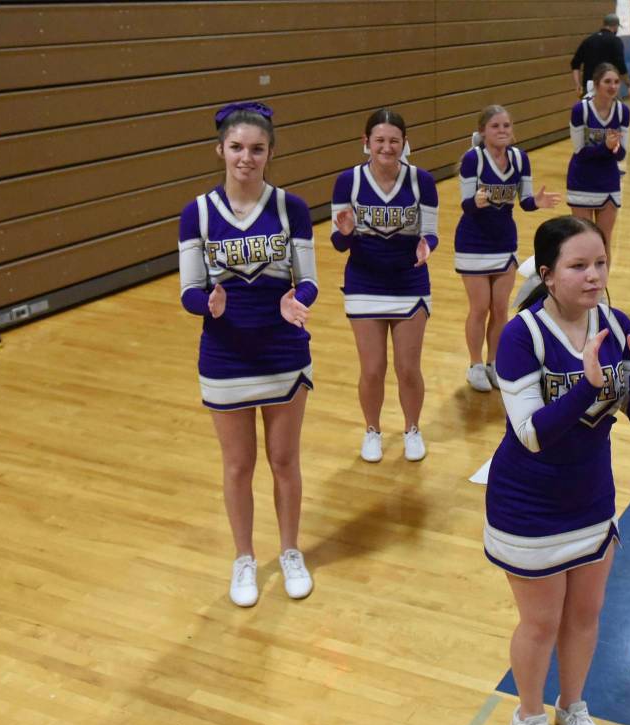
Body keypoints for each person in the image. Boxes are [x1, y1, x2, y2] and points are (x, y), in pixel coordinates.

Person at [485, 216, 630, 725]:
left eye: (600, 264)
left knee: (586, 615)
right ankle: (530, 717)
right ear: (548, 273)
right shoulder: (521, 335)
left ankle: (573, 707)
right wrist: (587, 385)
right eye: (578, 266)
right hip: (528, 503)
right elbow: (531, 434)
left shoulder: (616, 323)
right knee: (540, 623)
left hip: (592, 496)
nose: (593, 276)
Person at [178, 101, 317, 607]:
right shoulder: (197, 211)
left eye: (257, 149)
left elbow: (311, 283)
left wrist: (296, 301)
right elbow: (188, 290)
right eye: (237, 147)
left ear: (270, 153)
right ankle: (243, 559)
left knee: (285, 460)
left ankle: (290, 550)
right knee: (238, 466)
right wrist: (207, 304)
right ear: (220, 150)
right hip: (225, 355)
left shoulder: (291, 208)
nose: (246, 157)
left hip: (283, 350)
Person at [331, 109, 439, 463]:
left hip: (409, 280)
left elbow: (431, 232)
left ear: (404, 143)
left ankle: (412, 428)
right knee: (372, 369)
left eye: (394, 140)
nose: (387, 147)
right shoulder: (348, 181)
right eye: (379, 140)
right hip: (364, 281)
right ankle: (372, 430)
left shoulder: (421, 180)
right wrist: (345, 232)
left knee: (408, 368)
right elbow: (339, 242)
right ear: (366, 143)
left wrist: (427, 246)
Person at [455, 106, 562, 392]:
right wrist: (474, 202)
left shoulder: (520, 158)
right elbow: (465, 204)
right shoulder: (472, 160)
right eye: (495, 126)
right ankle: (475, 365)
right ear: (483, 132)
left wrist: (536, 202)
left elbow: (525, 201)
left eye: (506, 125)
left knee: (500, 308)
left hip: (504, 242)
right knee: (479, 307)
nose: (502, 130)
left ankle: (494, 363)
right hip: (473, 243)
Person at [566, 63, 630, 268]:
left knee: (603, 241)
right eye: (607, 82)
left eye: (616, 82)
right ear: (596, 84)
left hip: (608, 181)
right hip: (582, 179)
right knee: (582, 241)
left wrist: (613, 148)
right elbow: (580, 152)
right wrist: (605, 147)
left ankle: (600, 290)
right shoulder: (580, 110)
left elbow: (621, 154)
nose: (612, 86)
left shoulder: (622, 111)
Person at [571, 13, 630, 98]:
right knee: (614, 110)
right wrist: (629, 85)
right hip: (608, 88)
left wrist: (577, 84)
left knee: (588, 110)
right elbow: (621, 66)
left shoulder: (588, 40)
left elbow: (575, 64)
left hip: (589, 88)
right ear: (615, 26)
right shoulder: (615, 41)